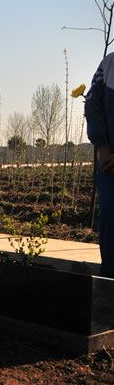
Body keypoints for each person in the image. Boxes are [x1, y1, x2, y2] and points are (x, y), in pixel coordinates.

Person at [84, 52, 114, 278]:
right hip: (109, 167)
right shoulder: (109, 64)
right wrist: (102, 147)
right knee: (110, 227)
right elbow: (93, 106)